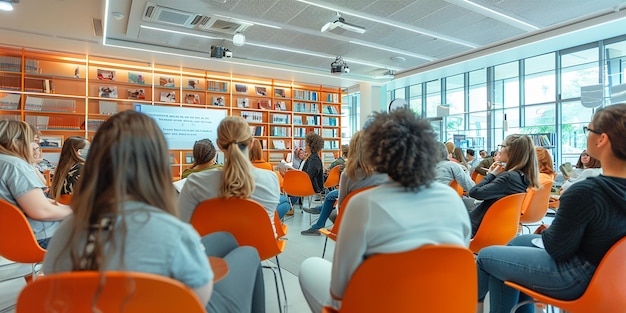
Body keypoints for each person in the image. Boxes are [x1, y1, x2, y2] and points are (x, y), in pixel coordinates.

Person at [42, 111, 266, 313]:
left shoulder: (67, 232)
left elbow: (53, 285)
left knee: (226, 239)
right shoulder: (172, 232)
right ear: (157, 165)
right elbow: (200, 298)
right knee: (248, 253)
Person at [298, 109, 471, 313]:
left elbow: (339, 288)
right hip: (440, 304)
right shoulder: (451, 198)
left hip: (377, 304)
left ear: (376, 154)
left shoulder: (362, 204)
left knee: (309, 267)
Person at [475, 103, 626, 313]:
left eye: (588, 130)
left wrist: (551, 232)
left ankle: (465, 305)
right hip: (613, 276)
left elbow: (558, 248)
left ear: (602, 139)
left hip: (577, 276)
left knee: (485, 256)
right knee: (517, 242)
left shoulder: (586, 191)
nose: (587, 135)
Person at [177, 116, 281, 236]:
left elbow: (181, 227)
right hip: (262, 247)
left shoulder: (195, 182)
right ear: (251, 143)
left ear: (219, 145)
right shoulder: (271, 178)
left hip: (212, 249)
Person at [0, 120, 72, 248]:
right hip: (42, 238)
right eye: (33, 142)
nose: (35, 147)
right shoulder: (16, 165)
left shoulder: (5, 163)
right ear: (16, 142)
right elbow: (41, 211)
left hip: (9, 236)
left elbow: (31, 201)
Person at [300, 131, 388, 236]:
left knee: (331, 200)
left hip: (351, 219)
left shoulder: (348, 174)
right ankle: (320, 212)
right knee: (331, 198)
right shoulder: (384, 172)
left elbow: (341, 207)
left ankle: (319, 219)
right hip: (378, 219)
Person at [468, 134, 540, 236]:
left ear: (512, 151)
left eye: (502, 147)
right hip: (493, 227)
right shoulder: (522, 177)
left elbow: (474, 192)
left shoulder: (508, 178)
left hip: (475, 228)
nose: (499, 151)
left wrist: (491, 175)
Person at [249, 138, 290, 219]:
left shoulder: (242, 167)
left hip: (249, 201)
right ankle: (269, 220)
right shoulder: (267, 166)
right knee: (285, 203)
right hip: (265, 200)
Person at [48, 136, 89, 202]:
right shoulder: (82, 168)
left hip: (61, 205)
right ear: (79, 151)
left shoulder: (62, 168)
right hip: (76, 207)